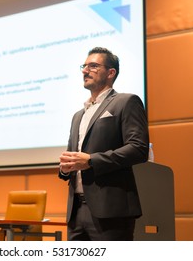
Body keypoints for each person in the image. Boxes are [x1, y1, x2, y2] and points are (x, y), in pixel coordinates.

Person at [58, 47, 149, 241]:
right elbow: (73, 156)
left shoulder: (126, 102)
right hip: (76, 212)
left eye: (93, 66)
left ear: (110, 72)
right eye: (84, 66)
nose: (85, 71)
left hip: (111, 211)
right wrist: (65, 168)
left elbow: (138, 148)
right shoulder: (77, 116)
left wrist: (91, 160)